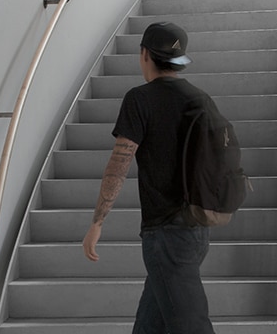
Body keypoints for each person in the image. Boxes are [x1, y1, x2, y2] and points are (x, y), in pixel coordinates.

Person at [82, 22, 216, 334]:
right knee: (149, 326)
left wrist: (97, 222)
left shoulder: (140, 99)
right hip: (197, 232)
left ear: (144, 54)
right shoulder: (200, 99)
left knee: (192, 326)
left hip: (166, 234)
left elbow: (119, 164)